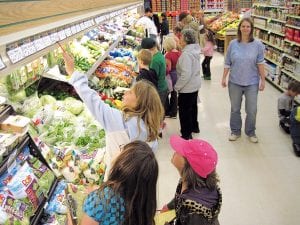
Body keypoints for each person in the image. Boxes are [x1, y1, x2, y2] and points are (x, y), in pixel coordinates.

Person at [62, 51, 164, 172]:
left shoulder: (120, 122)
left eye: (131, 92)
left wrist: (73, 73)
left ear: (139, 103)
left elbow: (94, 101)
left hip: (115, 180)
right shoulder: (151, 133)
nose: (126, 92)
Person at [81, 141, 158, 225]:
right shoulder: (144, 202)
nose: (118, 151)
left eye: (122, 149)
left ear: (123, 164)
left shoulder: (99, 201)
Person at [221, 17, 266, 143]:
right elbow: (227, 62)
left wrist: (263, 80)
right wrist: (224, 78)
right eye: (243, 26)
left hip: (252, 82)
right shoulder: (233, 44)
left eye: (248, 26)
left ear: (251, 29)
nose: (245, 29)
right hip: (235, 81)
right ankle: (235, 131)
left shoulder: (258, 45)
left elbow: (260, 63)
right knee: (235, 108)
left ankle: (250, 132)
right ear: (239, 28)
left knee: (252, 110)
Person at [161, 135, 222, 225]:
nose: (175, 151)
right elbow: (180, 198)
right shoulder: (188, 180)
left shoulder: (196, 214)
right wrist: (170, 206)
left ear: (188, 167)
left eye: (180, 151)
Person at [175, 29, 201, 140]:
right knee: (193, 107)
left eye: (181, 38)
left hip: (187, 87)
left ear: (185, 40)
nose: (179, 40)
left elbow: (186, 74)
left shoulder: (186, 54)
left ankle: (186, 133)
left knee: (184, 110)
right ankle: (194, 127)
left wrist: (177, 86)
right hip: (195, 84)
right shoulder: (194, 50)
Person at [141, 37, 168, 110]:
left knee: (156, 111)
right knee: (160, 109)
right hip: (163, 86)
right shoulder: (159, 54)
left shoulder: (154, 61)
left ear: (148, 50)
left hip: (158, 89)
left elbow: (153, 78)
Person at [163, 36, 181, 119]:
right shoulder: (179, 53)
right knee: (174, 93)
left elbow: (168, 68)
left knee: (166, 93)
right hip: (177, 75)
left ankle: (166, 111)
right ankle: (173, 113)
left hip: (170, 76)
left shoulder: (168, 55)